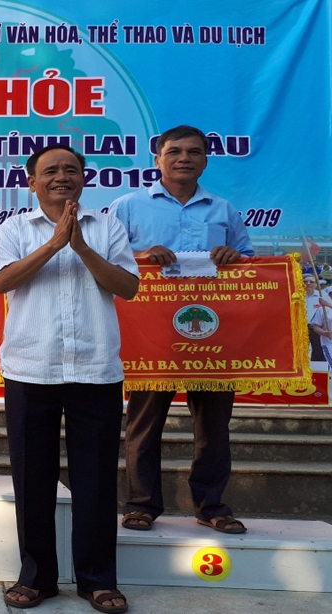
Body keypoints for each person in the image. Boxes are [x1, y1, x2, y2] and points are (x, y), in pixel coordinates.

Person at [0, 145, 138, 612]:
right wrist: (54, 244)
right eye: (50, 170)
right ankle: (37, 578)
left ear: (84, 178)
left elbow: (129, 287)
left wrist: (81, 247)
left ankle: (97, 580)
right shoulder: (15, 228)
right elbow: (0, 282)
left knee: (96, 478)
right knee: (32, 477)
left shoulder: (107, 227)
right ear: (31, 181)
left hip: (95, 368)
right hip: (30, 367)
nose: (61, 177)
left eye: (71, 169)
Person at [109, 125, 253, 534]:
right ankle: (141, 505)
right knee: (144, 423)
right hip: (151, 334)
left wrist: (234, 257)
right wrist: (140, 254)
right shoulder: (128, 206)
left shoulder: (223, 210)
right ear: (158, 159)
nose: (184, 158)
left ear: (205, 160)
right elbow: (104, 258)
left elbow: (251, 265)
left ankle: (211, 506)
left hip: (211, 331)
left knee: (213, 427)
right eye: (174, 152)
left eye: (193, 152)